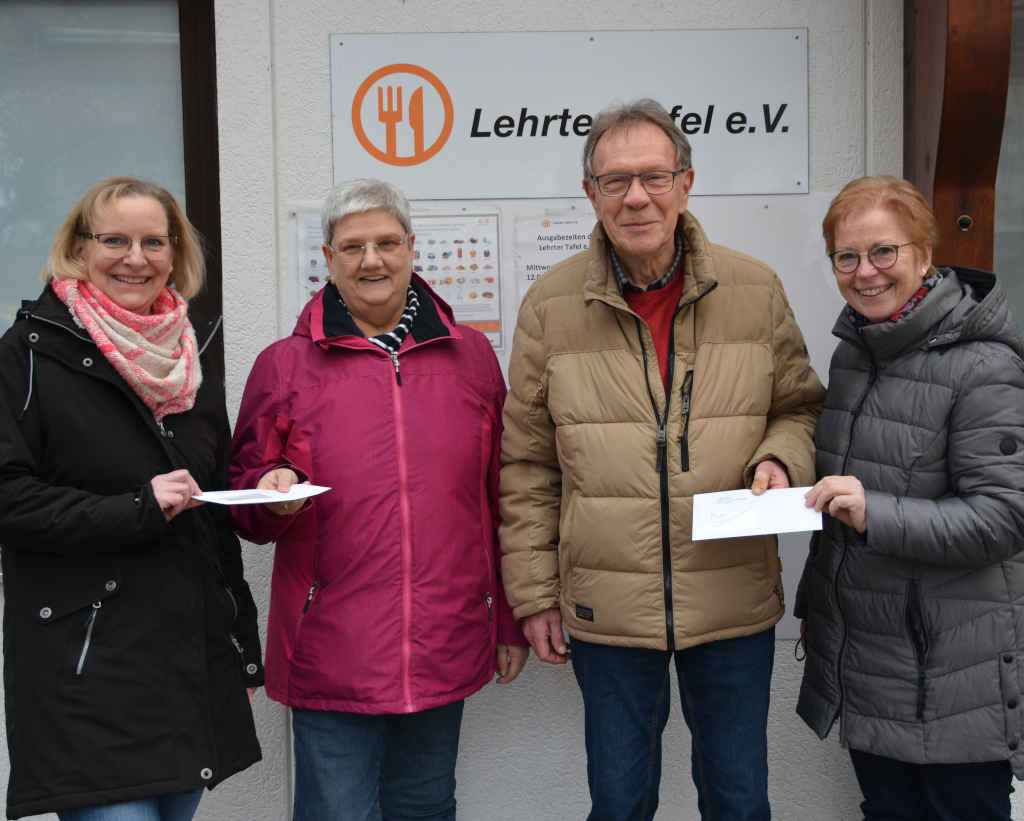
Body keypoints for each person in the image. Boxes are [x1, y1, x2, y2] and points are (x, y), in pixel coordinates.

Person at [499, 98, 824, 820]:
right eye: (615, 180)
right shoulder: (550, 306)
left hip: (732, 597)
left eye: (653, 176)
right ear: (591, 194)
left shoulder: (755, 289)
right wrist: (534, 593)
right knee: (618, 803)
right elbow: (526, 465)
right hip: (607, 608)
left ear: (685, 183)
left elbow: (799, 407)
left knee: (739, 800)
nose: (636, 197)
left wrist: (779, 458)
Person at [229, 178, 528, 821]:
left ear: (412, 249)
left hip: (446, 638)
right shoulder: (284, 366)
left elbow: (501, 497)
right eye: (353, 246)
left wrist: (506, 620)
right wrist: (269, 495)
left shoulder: (472, 358)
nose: (372, 260)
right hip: (330, 649)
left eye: (387, 243)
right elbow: (246, 505)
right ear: (328, 259)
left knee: (426, 807)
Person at [0, 176, 263, 820]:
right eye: (114, 240)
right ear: (78, 248)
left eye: (153, 242)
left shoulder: (192, 356)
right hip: (87, 669)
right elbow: (8, 500)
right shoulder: (26, 357)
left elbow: (211, 520)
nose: (135, 259)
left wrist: (242, 649)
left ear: (175, 253)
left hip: (188, 666)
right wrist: (137, 508)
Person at [797, 175, 1024, 820]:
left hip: (955, 678)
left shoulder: (984, 365)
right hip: (871, 664)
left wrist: (874, 512)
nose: (865, 272)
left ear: (924, 255)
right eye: (847, 256)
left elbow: (1005, 518)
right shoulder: (855, 356)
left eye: (883, 251)